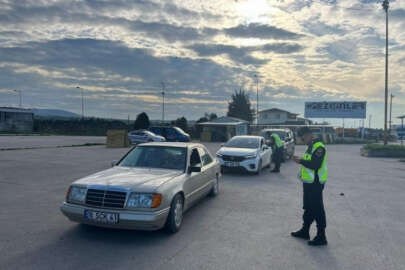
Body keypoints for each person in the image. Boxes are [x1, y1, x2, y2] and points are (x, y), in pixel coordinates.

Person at [291, 127, 328, 246]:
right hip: (308, 183)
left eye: (303, 137)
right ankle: (305, 231)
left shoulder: (319, 147)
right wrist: (301, 160)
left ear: (309, 134)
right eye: (301, 138)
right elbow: (309, 162)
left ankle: (321, 236)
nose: (302, 140)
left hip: (316, 184)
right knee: (308, 208)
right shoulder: (310, 146)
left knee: (317, 209)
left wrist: (300, 161)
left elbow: (315, 165)